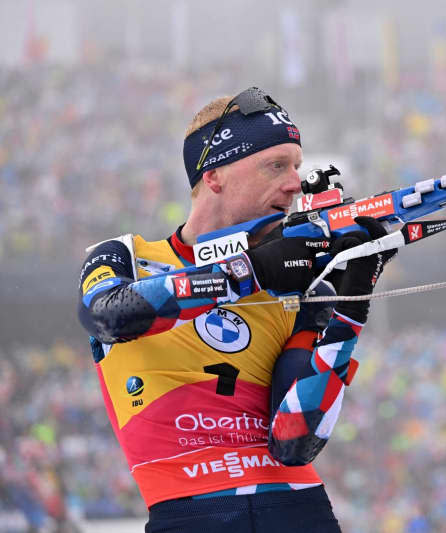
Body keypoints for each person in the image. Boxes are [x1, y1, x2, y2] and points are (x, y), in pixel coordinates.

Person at [77, 87, 394, 532]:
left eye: (297, 166)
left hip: (298, 509)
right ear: (214, 176)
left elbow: (294, 441)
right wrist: (249, 273)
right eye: (276, 165)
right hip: (187, 513)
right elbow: (107, 315)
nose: (295, 182)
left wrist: (348, 307)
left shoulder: (293, 284)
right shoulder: (128, 256)